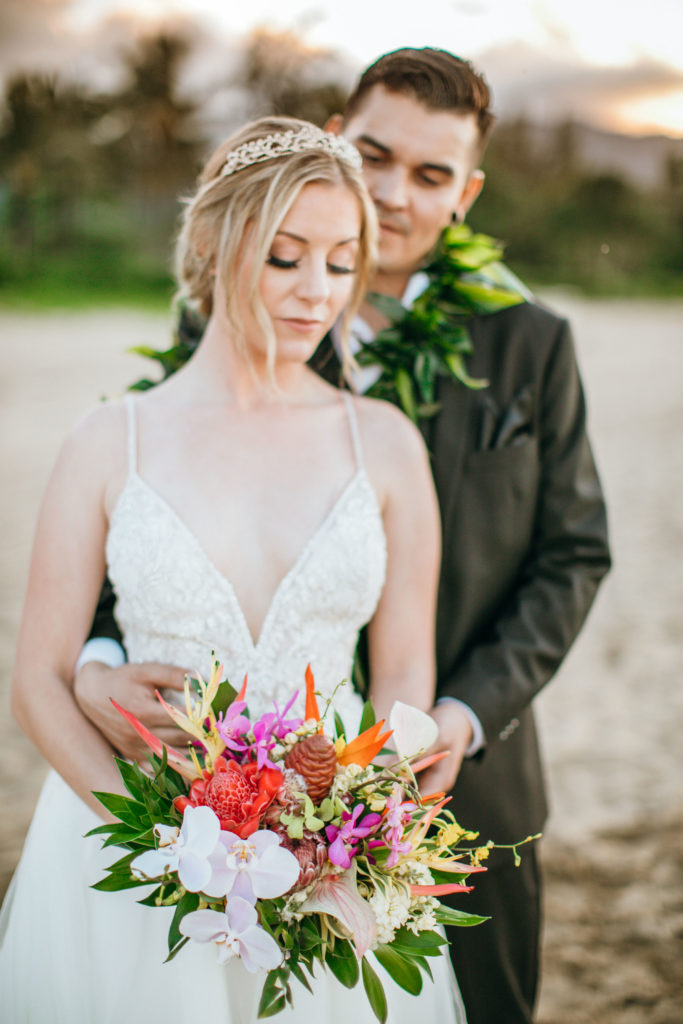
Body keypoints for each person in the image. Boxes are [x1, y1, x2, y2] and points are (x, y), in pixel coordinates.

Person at [74, 49, 611, 1023]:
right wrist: (101, 654)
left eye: (431, 174)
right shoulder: (232, 307)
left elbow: (571, 554)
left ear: (467, 194)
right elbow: (151, 519)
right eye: (373, 154)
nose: (394, 194)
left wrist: (460, 712)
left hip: (452, 787)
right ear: (332, 140)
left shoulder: (530, 344)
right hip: (221, 790)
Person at [0, 117, 468, 1023]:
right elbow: (39, 680)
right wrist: (165, 843)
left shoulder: (385, 445)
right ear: (215, 246)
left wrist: (354, 826)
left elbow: (405, 672)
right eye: (286, 257)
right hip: (130, 844)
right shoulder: (110, 440)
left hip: (327, 852)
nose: (315, 293)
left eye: (341, 262)